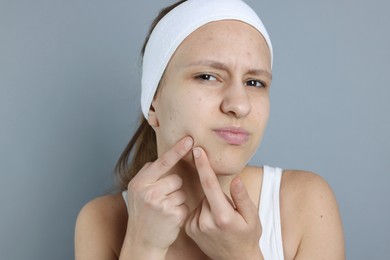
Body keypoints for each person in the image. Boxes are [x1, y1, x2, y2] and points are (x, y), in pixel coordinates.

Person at [75, 0, 345, 259]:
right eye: (208, 76)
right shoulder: (102, 221)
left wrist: (243, 255)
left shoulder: (305, 204)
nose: (239, 105)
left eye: (255, 82)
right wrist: (143, 247)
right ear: (153, 104)